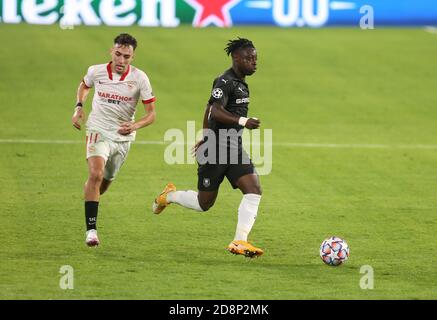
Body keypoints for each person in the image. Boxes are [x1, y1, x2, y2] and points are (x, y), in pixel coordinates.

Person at [152, 38, 263, 258]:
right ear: (236, 58)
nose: (254, 62)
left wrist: (204, 134)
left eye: (255, 58)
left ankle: (240, 240)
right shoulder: (224, 81)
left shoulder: (240, 82)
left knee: (254, 189)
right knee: (204, 204)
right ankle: (169, 196)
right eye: (249, 58)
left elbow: (207, 107)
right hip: (215, 150)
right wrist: (242, 122)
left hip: (233, 146)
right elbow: (215, 111)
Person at [71, 33, 156, 247]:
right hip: (98, 128)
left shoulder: (140, 78)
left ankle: (90, 194)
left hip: (123, 136)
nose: (121, 60)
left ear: (132, 57)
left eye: (126, 56)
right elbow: (84, 85)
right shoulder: (96, 71)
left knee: (104, 182)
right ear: (111, 52)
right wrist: (79, 107)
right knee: (95, 173)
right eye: (118, 54)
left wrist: (135, 125)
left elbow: (151, 114)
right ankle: (91, 230)